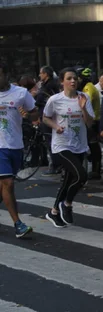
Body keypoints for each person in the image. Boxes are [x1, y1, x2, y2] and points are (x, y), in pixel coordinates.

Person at [43, 67, 94, 228]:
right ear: (62, 81)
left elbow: (90, 123)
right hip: (61, 145)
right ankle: (67, 204)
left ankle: (53, 211)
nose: (73, 81)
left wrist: (83, 108)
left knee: (68, 180)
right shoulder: (55, 100)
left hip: (79, 145)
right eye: (69, 78)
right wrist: (55, 126)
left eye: (75, 78)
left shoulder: (84, 97)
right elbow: (45, 118)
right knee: (81, 175)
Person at [0, 63, 37, 238]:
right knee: (8, 183)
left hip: (15, 146)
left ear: (6, 75)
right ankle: (18, 224)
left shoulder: (21, 93)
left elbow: (36, 113)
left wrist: (28, 116)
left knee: (3, 187)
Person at [77, 67, 102, 179]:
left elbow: (86, 102)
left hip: (93, 121)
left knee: (93, 145)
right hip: (89, 120)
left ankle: (96, 169)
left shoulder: (88, 88)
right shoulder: (86, 87)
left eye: (77, 78)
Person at [37, 65, 61, 176]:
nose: (39, 75)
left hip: (49, 117)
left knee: (51, 142)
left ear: (46, 74)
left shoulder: (50, 86)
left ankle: (56, 165)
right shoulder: (46, 85)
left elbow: (43, 100)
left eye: (41, 73)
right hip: (46, 115)